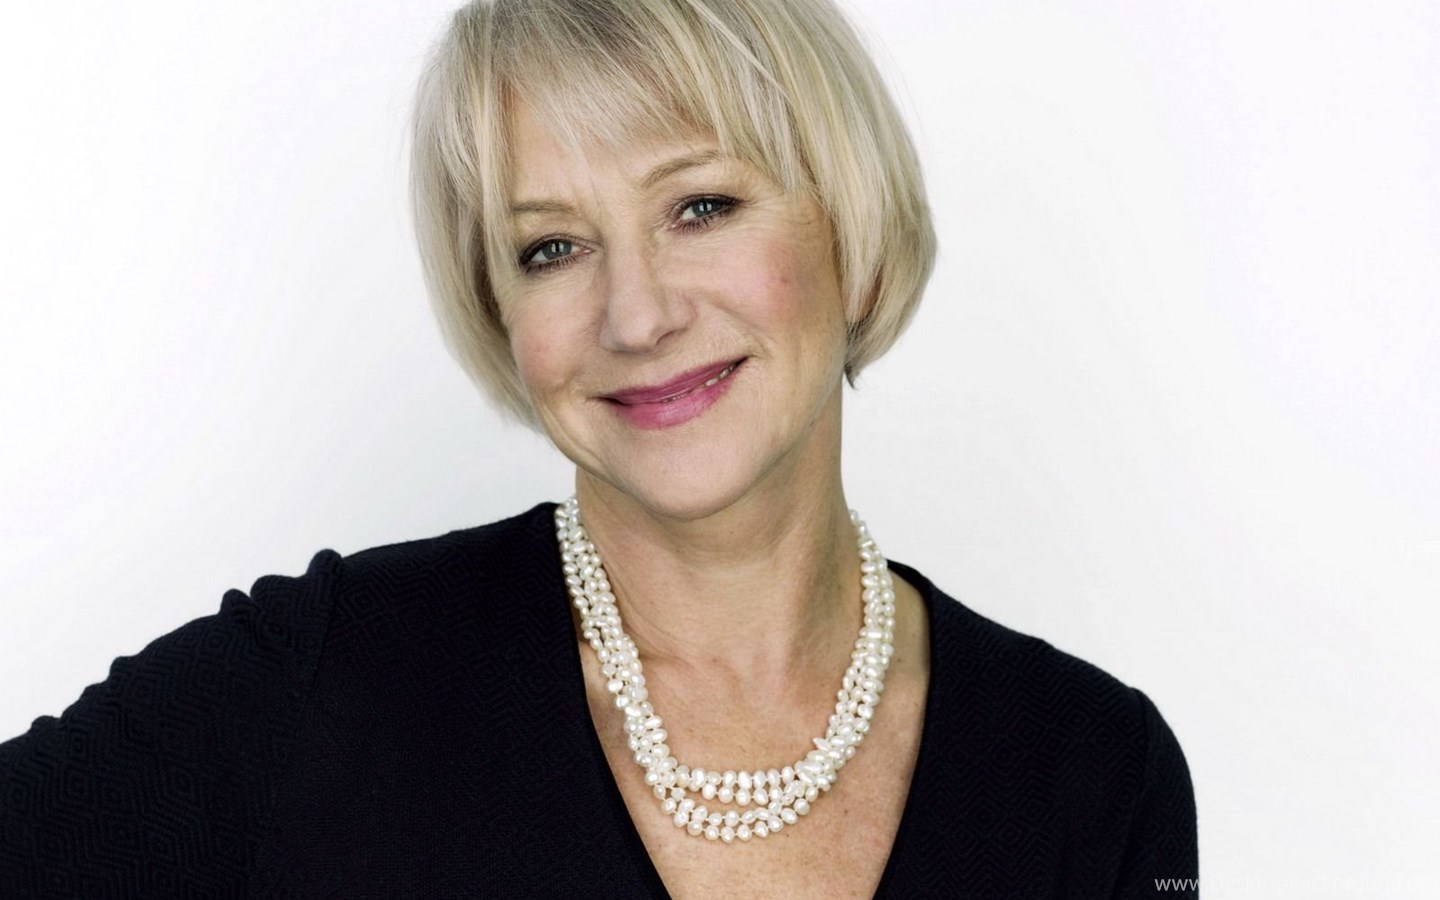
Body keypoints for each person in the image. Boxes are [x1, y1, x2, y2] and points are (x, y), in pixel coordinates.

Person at [0, 0, 1198, 896]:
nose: (636, 316)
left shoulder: (1096, 770)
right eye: (553, 248)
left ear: (851, 223)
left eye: (701, 206)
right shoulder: (320, 685)